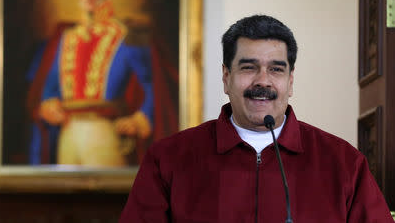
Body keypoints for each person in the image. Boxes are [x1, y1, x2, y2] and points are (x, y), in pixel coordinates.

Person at [119, 15, 393, 222]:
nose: (263, 81)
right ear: (226, 78)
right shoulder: (168, 160)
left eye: (276, 69)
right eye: (249, 68)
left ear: (290, 80)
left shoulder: (344, 163)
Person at [26, 0, 156, 166]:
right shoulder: (65, 37)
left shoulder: (126, 36)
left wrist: (139, 118)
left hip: (104, 133)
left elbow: (152, 87)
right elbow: (49, 87)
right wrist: (49, 102)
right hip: (67, 134)